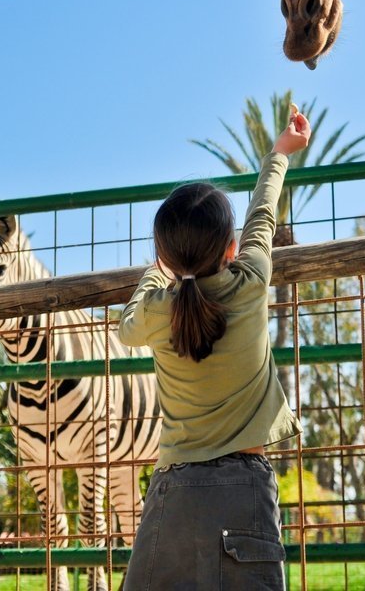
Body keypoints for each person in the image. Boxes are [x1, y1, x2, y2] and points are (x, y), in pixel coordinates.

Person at [119, 108, 311, 590]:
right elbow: (262, 214)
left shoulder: (156, 310)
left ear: (163, 254)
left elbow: (126, 327)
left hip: (174, 489)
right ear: (231, 247)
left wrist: (155, 273)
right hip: (246, 487)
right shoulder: (250, 284)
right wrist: (279, 154)